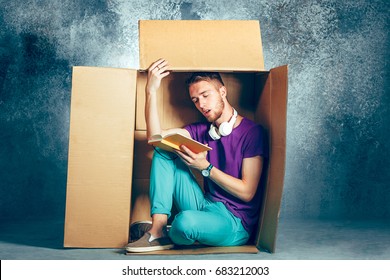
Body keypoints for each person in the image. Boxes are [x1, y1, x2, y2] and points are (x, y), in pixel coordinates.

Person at [125, 58, 267, 253]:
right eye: (195, 100)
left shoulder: (252, 132)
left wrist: (206, 168)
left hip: (234, 222)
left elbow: (247, 192)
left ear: (222, 92)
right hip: (205, 205)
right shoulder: (202, 130)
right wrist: (150, 91)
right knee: (163, 150)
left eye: (205, 95)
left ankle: (174, 229)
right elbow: (154, 138)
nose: (201, 104)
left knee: (184, 223)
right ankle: (157, 231)